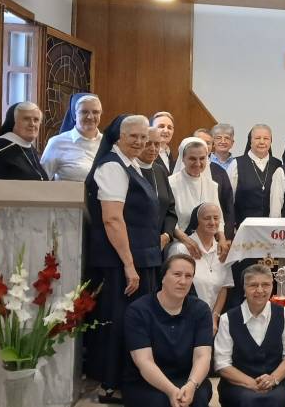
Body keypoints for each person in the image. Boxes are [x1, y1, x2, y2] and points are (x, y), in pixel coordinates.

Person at [0, 101, 50, 378]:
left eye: (37, 120)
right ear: (12, 121)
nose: (33, 124)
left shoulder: (31, 151)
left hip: (30, 235)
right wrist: (8, 216)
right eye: (27, 119)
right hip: (1, 234)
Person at [85, 114, 161, 402]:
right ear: (119, 136)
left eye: (144, 137)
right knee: (121, 322)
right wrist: (129, 264)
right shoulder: (112, 167)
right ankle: (111, 384)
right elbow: (113, 220)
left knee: (137, 322)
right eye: (134, 136)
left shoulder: (130, 164)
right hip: (122, 263)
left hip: (140, 258)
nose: (140, 142)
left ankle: (132, 379)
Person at [123, 254, 213, 407]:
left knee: (198, 398)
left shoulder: (201, 310)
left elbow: (202, 356)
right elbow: (144, 361)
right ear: (163, 277)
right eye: (177, 274)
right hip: (145, 382)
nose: (183, 281)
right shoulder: (138, 311)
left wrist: (191, 385)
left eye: (188, 276)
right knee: (160, 402)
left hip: (187, 379)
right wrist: (171, 391)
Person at [215, 264, 285, 407]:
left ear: (272, 286)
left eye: (265, 284)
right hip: (238, 385)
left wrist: (272, 379)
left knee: (276, 399)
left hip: (275, 383)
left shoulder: (284, 314)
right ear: (244, 288)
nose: (260, 290)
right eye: (253, 285)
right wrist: (252, 384)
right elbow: (222, 364)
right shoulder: (227, 319)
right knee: (249, 400)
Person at [170, 203, 232, 331]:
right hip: (183, 320)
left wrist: (214, 318)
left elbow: (224, 287)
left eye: (216, 218)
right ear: (197, 221)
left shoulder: (223, 251)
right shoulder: (180, 249)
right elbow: (172, 287)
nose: (212, 222)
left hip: (211, 323)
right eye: (207, 218)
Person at [169, 137, 230, 258]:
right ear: (183, 159)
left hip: (208, 243)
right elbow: (169, 220)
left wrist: (222, 238)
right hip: (181, 243)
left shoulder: (212, 185)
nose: (198, 163)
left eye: (202, 158)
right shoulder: (171, 184)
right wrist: (187, 241)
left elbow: (219, 218)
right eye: (192, 158)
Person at [41, 93, 103, 181]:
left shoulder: (109, 144)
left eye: (95, 112)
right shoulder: (57, 143)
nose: (90, 117)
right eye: (84, 112)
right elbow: (41, 181)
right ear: (74, 115)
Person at [137, 127, 178, 254]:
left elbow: (170, 209)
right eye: (148, 143)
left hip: (159, 245)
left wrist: (166, 235)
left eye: (157, 144)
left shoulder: (160, 170)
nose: (153, 148)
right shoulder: (128, 168)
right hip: (135, 243)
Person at [190, 130, 236, 239]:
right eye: (200, 142)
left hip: (216, 235)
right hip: (187, 233)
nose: (204, 146)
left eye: (208, 143)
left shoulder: (220, 172)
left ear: (212, 146)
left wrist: (226, 236)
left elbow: (227, 207)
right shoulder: (178, 171)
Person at [233, 124, 282, 221]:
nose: (262, 142)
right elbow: (230, 199)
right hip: (244, 224)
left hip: (271, 225)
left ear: (271, 141)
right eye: (257, 138)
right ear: (250, 141)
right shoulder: (236, 164)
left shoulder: (278, 164)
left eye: (266, 138)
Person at [210, 123, 239, 191]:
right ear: (213, 142)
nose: (223, 141)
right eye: (218, 138)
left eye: (227, 138)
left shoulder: (238, 164)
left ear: (232, 143)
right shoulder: (205, 162)